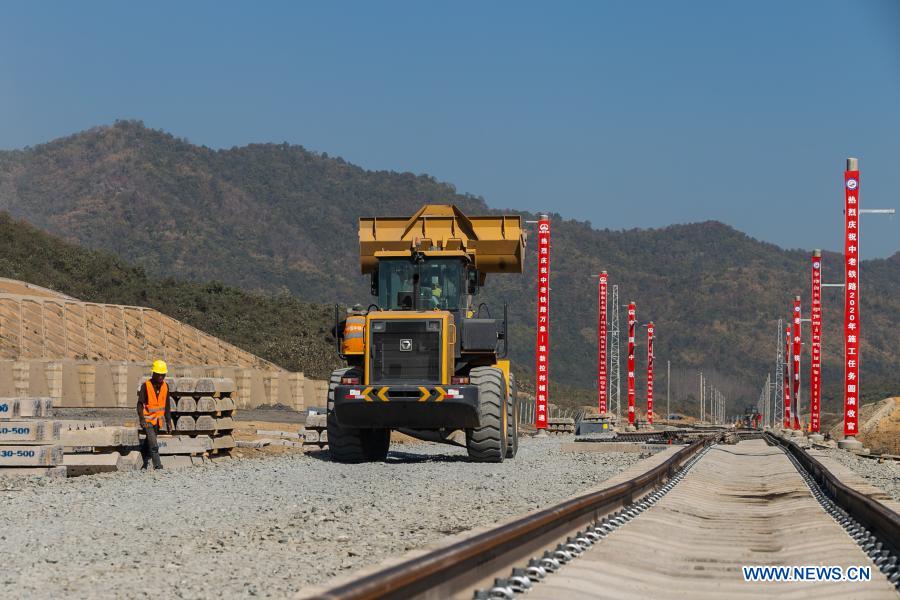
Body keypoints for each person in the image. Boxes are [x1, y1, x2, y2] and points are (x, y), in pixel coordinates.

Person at [137, 360, 174, 470]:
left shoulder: (165, 386)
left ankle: (141, 459)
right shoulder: (146, 386)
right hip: (148, 421)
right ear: (154, 374)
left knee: (148, 442)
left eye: (163, 374)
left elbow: (167, 406)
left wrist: (168, 421)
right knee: (153, 444)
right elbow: (139, 404)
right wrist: (142, 419)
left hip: (158, 421)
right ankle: (158, 466)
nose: (161, 377)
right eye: (159, 374)